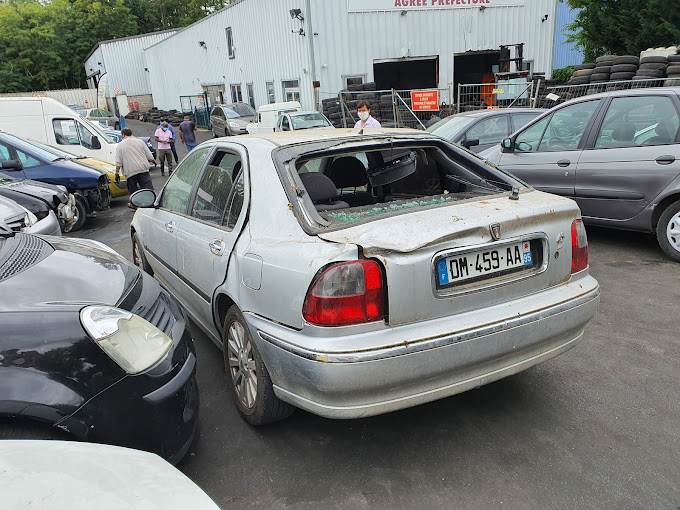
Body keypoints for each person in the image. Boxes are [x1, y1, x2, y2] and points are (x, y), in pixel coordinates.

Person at [114, 128, 157, 209]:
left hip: (130, 171)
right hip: (142, 168)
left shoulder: (120, 145)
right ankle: (150, 202)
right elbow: (149, 155)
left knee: (134, 190)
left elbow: (118, 162)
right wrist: (154, 161)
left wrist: (117, 174)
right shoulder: (139, 141)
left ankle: (137, 204)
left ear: (123, 135)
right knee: (147, 187)